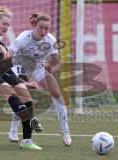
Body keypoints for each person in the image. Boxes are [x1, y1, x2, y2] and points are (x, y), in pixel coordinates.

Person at [0, 6, 42, 150]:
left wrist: (26, 83)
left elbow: (9, 71)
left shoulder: (2, 45)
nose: (6, 27)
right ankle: (30, 119)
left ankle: (27, 141)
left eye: (8, 25)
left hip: (3, 74)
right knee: (10, 93)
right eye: (4, 24)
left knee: (25, 93)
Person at [8, 12, 72, 146]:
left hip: (39, 67)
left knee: (57, 94)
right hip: (21, 65)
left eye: (47, 28)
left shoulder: (50, 40)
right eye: (41, 28)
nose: (44, 31)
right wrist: (13, 76)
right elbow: (8, 57)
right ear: (34, 25)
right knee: (22, 97)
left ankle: (65, 131)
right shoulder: (23, 38)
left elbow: (57, 62)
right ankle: (13, 131)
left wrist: (49, 70)